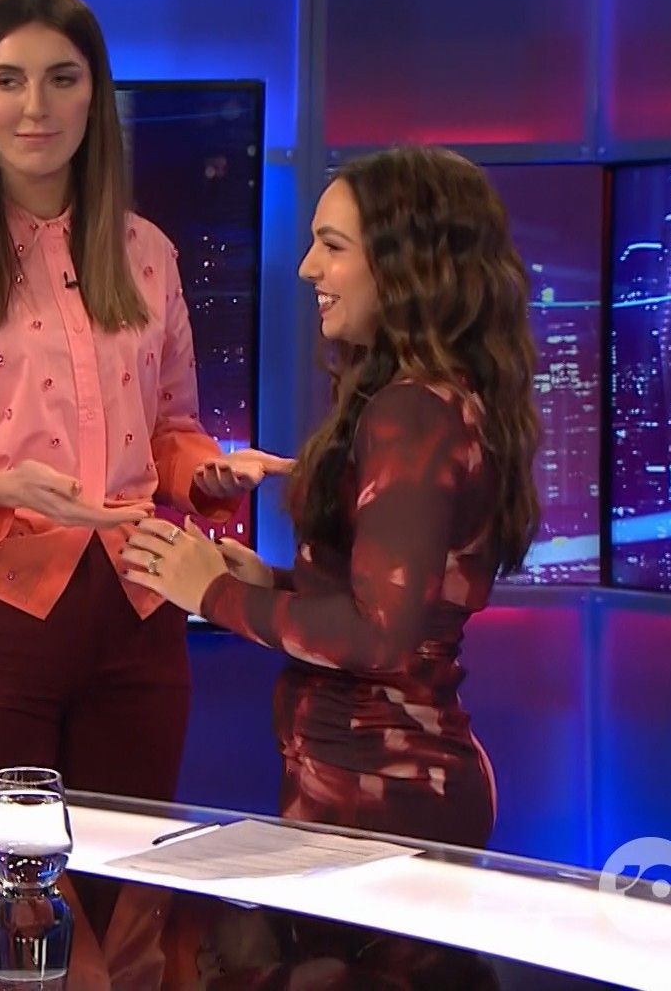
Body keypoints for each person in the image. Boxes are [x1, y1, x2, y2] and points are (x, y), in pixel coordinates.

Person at [0, 0, 291, 805]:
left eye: (62, 78)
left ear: (94, 97)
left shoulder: (147, 253)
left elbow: (170, 428)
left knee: (125, 874)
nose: (35, 106)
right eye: (8, 80)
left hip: (144, 605)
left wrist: (206, 473)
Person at [126, 145, 541, 847]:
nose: (307, 268)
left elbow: (379, 637)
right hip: (372, 784)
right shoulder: (434, 400)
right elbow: (396, 601)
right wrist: (274, 583)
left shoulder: (414, 412)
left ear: (407, 265)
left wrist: (213, 596)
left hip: (384, 794)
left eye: (333, 246)